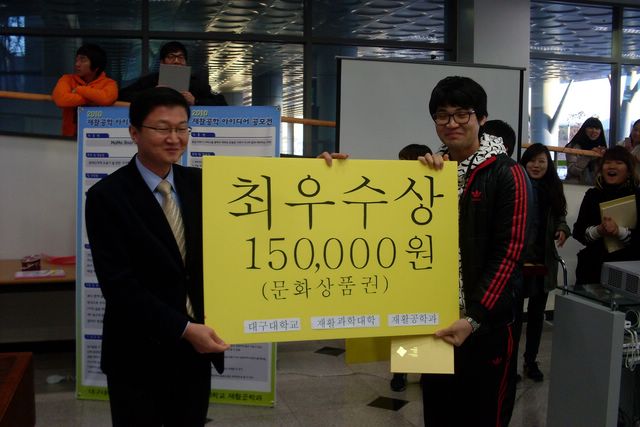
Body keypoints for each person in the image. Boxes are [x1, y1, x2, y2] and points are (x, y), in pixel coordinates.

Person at [85, 87, 229, 426]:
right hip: (137, 353)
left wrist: (327, 176)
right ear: (134, 133)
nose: (174, 138)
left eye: (181, 128)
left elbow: (270, 206)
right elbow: (119, 286)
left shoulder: (204, 184)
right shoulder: (107, 196)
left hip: (195, 351)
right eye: (162, 128)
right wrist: (184, 328)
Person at [419, 76, 528, 427]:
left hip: (486, 326)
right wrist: (337, 173)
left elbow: (509, 254)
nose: (451, 123)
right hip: (433, 321)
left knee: (483, 416)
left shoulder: (508, 174)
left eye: (462, 113)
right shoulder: (426, 174)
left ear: (481, 118)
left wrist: (474, 317)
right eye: (442, 115)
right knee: (438, 413)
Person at [516, 143, 570, 382]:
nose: (536, 166)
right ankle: (509, 365)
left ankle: (530, 361)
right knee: (514, 317)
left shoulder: (553, 187)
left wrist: (562, 229)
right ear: (524, 162)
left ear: (549, 165)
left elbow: (561, 216)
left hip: (543, 260)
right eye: (532, 160)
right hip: (518, 261)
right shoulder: (514, 184)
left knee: (537, 316)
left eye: (542, 161)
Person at [390, 143, 433, 393]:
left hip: (426, 268)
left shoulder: (434, 189)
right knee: (404, 326)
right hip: (401, 269)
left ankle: (426, 370)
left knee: (427, 325)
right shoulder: (395, 191)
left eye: (409, 162)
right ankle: (400, 371)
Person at [572, 146, 640, 289]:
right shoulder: (592, 195)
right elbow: (578, 232)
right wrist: (598, 230)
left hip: (627, 270)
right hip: (592, 267)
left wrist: (619, 231)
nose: (612, 166)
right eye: (608, 162)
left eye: (619, 163)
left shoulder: (637, 196)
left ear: (629, 171)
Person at [118, 41, 227, 107]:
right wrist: (151, 94)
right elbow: (122, 95)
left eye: (180, 57)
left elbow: (221, 102)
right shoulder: (150, 81)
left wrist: (195, 101)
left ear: (185, 62)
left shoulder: (196, 83)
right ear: (162, 62)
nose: (176, 61)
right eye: (171, 57)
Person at [52, 43, 118, 137]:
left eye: (83, 60)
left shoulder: (109, 83)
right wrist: (95, 98)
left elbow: (107, 98)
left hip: (98, 137)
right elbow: (60, 99)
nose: (77, 64)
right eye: (77, 60)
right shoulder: (67, 79)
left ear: (96, 66)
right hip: (69, 138)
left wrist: (79, 90)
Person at [565, 117, 607, 185]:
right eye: (590, 127)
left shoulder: (602, 149)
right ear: (584, 129)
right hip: (575, 186)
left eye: (597, 128)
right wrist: (588, 155)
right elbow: (572, 171)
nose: (594, 131)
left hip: (596, 186)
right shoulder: (573, 147)